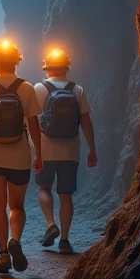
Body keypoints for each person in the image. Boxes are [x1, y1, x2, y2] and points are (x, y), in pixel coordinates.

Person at [0, 39, 43, 275]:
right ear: (17, 61)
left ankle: (2, 253)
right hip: (20, 153)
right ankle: (16, 239)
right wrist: (38, 154)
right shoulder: (27, 88)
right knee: (17, 205)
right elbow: (34, 125)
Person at [34, 48, 97, 253]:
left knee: (44, 188)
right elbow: (86, 122)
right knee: (65, 195)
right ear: (67, 67)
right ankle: (64, 241)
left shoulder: (38, 88)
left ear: (46, 66)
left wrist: (34, 151)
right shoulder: (77, 89)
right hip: (71, 150)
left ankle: (51, 224)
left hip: (45, 149)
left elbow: (32, 122)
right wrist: (92, 150)